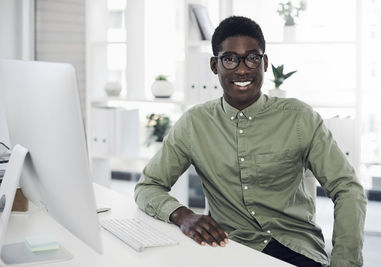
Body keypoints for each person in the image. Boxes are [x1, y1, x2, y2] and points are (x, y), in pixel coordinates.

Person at [135, 16, 366, 267]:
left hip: (295, 248)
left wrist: (345, 263)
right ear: (215, 65)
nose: (243, 69)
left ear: (264, 63)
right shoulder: (194, 123)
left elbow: (348, 189)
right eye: (230, 59)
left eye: (252, 58)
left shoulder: (300, 117)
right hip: (228, 247)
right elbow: (148, 186)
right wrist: (183, 215)